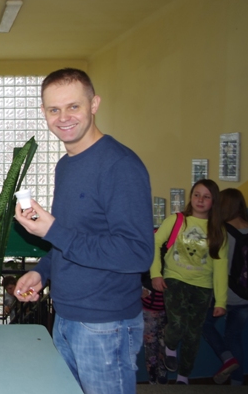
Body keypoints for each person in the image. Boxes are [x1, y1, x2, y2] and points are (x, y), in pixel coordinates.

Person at [13, 68, 154, 393]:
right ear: (44, 112)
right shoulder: (66, 165)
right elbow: (75, 236)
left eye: (73, 106)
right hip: (66, 317)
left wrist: (53, 229)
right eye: (54, 109)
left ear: (94, 104)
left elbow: (138, 253)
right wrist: (42, 272)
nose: (63, 117)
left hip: (106, 325)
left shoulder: (120, 165)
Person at [150, 179, 228, 385]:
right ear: (191, 197)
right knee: (177, 324)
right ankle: (169, 345)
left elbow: (221, 266)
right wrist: (155, 274)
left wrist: (221, 301)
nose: (200, 200)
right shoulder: (177, 220)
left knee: (193, 334)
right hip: (175, 280)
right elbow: (155, 242)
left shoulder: (218, 230)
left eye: (206, 196)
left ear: (214, 201)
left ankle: (183, 375)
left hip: (203, 287)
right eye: (196, 195)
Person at [202, 188, 248, 385]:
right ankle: (237, 383)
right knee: (234, 337)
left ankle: (227, 359)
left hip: (226, 295)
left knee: (203, 323)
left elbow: (213, 267)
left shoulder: (220, 232)